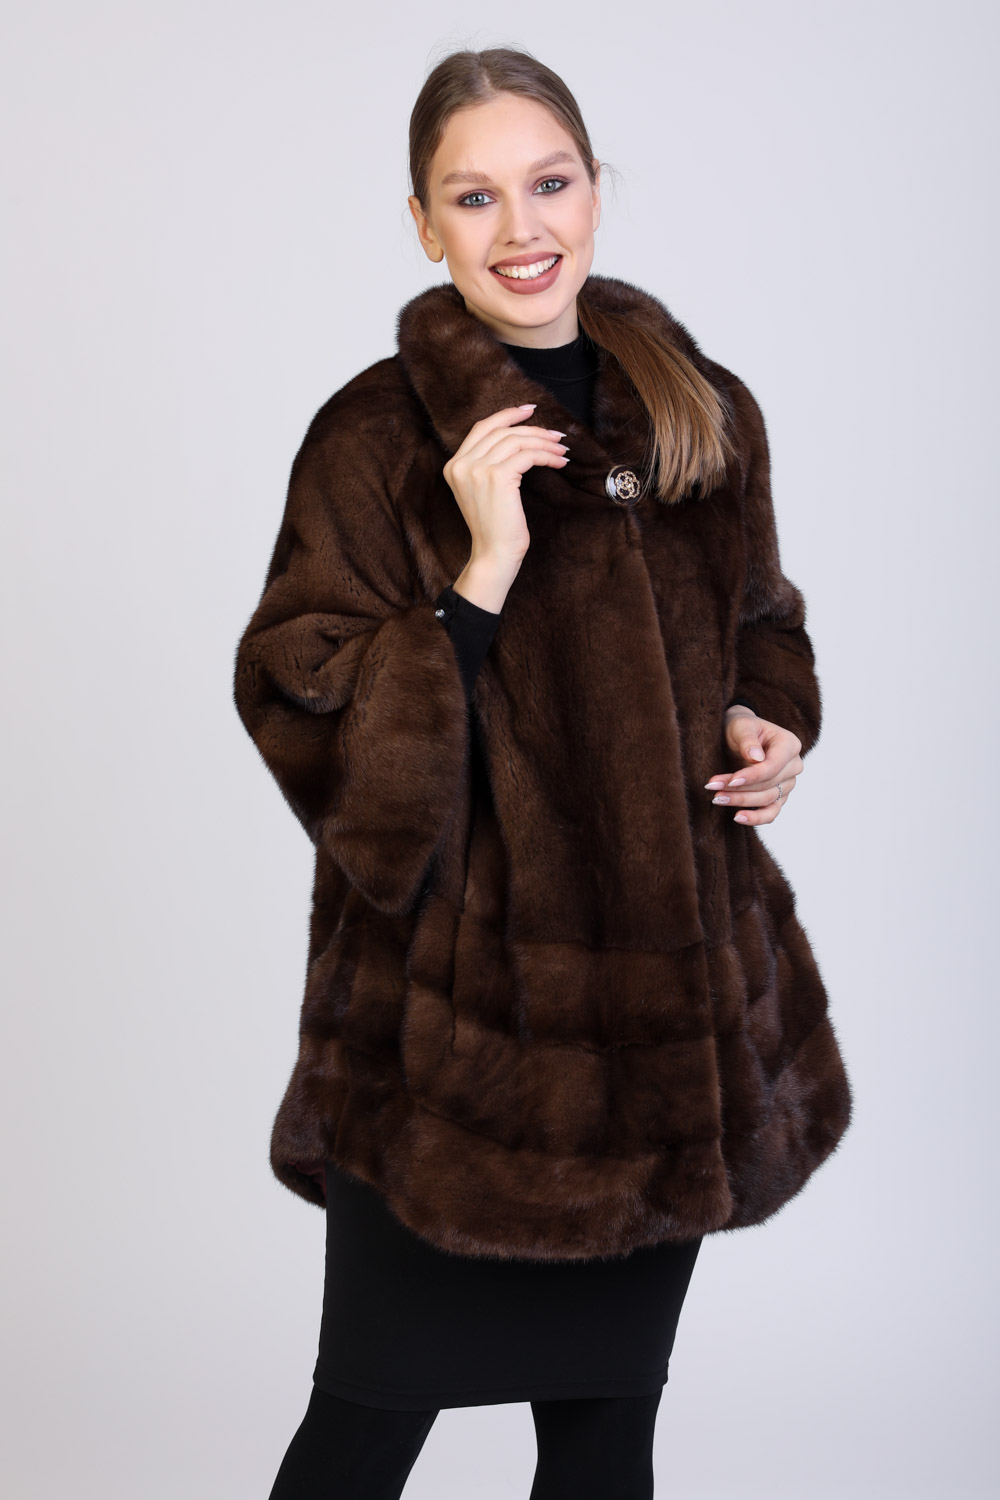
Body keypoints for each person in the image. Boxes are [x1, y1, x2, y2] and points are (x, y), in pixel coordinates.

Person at [233, 45, 853, 1500]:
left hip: (661, 1035)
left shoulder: (699, 409)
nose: (522, 228)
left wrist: (769, 720)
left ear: (593, 190)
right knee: (365, 1429)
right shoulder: (375, 440)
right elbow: (307, 718)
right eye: (475, 196)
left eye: (549, 182)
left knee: (605, 1437)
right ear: (423, 224)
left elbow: (762, 623)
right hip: (457, 1057)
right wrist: (481, 574)